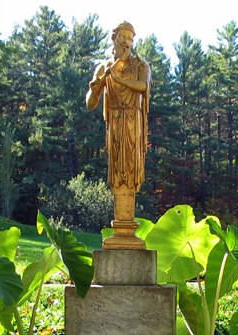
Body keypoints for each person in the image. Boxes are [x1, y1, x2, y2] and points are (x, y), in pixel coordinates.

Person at [86, 21, 151, 249]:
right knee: (117, 170)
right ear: (114, 38)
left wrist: (119, 78)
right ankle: (120, 228)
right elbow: (90, 103)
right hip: (115, 122)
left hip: (133, 122)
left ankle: (127, 227)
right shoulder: (104, 67)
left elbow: (143, 86)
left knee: (131, 169)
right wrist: (98, 85)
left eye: (130, 38)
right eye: (122, 37)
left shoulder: (141, 65)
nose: (126, 42)